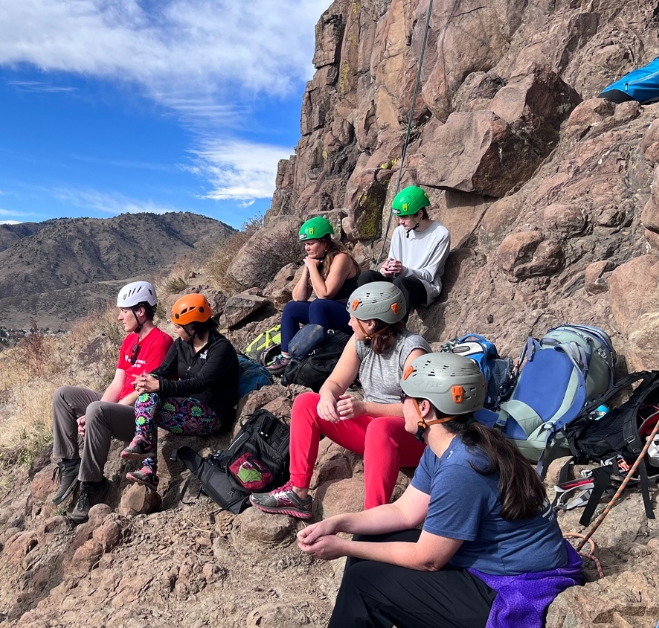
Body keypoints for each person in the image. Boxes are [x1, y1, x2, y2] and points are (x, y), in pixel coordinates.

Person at [299, 352, 583, 628]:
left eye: (404, 398)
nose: (401, 404)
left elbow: (429, 560)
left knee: (366, 583)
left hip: (510, 588)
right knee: (368, 535)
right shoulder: (451, 444)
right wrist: (338, 523)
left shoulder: (463, 466)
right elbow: (404, 511)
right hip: (495, 565)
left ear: (425, 408)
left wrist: (343, 547)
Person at [249, 282, 430, 520]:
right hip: (375, 434)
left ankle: (373, 517)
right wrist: (326, 397)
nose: (349, 323)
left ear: (371, 323)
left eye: (354, 318)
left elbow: (417, 412)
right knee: (306, 403)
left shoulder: (413, 351)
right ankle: (297, 493)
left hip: (411, 439)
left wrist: (365, 407)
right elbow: (334, 382)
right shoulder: (361, 341)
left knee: (379, 426)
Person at [49, 281, 172, 524]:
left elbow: (144, 392)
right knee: (63, 394)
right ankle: (70, 463)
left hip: (140, 416)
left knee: (97, 409)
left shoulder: (161, 342)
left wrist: (99, 412)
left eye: (124, 311)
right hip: (118, 407)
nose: (118, 317)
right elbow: (117, 384)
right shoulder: (129, 342)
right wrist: (90, 414)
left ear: (141, 311)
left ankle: (93, 484)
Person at [121, 293, 240, 492]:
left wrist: (158, 386)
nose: (175, 329)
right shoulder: (181, 344)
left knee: (150, 405)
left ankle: (148, 462)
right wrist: (146, 379)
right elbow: (164, 371)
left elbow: (198, 383)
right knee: (148, 398)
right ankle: (146, 458)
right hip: (186, 404)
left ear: (194, 326)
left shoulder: (221, 349)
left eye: (179, 326)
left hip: (211, 414)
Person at [270, 216, 361, 373]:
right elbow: (298, 298)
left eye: (311, 243)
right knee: (292, 308)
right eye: (305, 244)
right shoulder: (317, 261)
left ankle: (320, 356)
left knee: (319, 305)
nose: (307, 248)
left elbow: (325, 294)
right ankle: (286, 357)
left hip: (349, 315)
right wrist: (307, 270)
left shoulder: (341, 258)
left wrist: (312, 268)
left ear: (325, 243)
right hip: (327, 312)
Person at [357, 185, 450, 312]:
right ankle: (365, 319)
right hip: (397, 281)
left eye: (405, 217)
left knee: (401, 283)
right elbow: (392, 261)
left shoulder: (440, 235)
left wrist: (404, 270)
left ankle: (396, 329)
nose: (401, 221)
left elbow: (429, 275)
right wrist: (387, 270)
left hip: (422, 286)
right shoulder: (399, 232)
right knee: (367, 276)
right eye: (400, 217)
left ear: (420, 214)